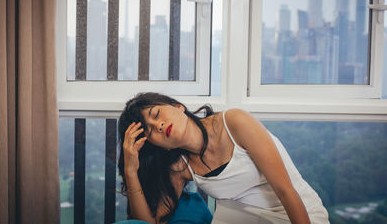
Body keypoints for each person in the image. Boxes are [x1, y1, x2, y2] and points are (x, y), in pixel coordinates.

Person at [117, 92, 329, 224]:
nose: (159, 125)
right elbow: (148, 223)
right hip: (244, 218)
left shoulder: (235, 122)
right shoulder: (180, 167)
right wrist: (130, 171)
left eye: (156, 115)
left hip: (297, 213)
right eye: (150, 131)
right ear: (155, 146)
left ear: (177, 106)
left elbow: (286, 190)